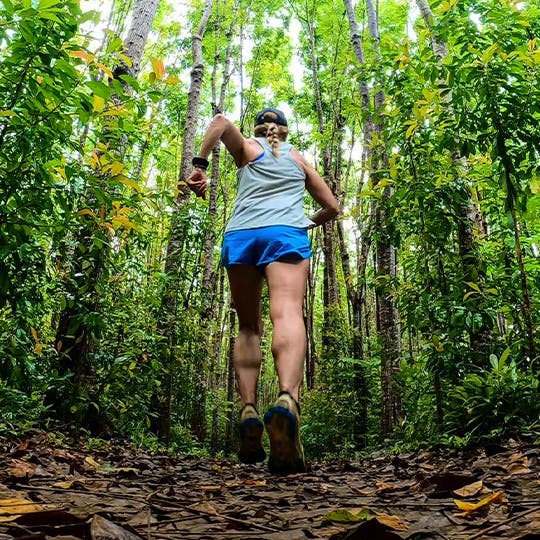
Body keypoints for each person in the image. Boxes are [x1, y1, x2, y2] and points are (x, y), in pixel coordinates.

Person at [187, 107, 340, 474]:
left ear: (258, 129)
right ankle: (287, 400)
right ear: (285, 133)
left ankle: (249, 409)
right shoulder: (298, 160)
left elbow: (221, 122)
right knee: (287, 313)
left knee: (248, 326)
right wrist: (310, 220)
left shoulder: (248, 150)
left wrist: (200, 167)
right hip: (285, 234)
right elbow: (332, 206)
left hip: (241, 236)